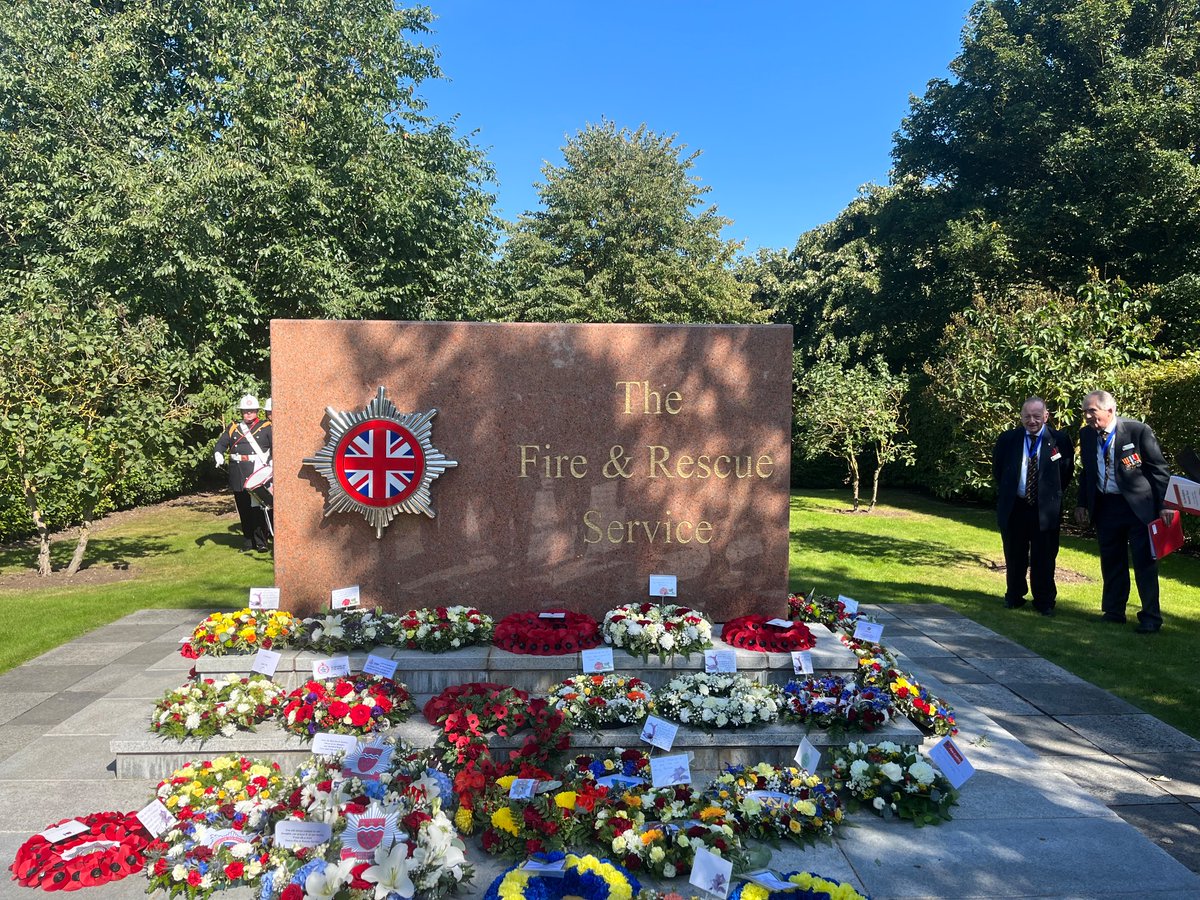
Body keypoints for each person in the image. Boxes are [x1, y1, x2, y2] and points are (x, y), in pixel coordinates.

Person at [1074, 390, 1175, 633]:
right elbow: (1087, 472)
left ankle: (1151, 617)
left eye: (1092, 411)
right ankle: (1114, 611)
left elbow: (1159, 470)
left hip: (1138, 508)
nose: (1087, 416)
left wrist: (1164, 505)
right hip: (1106, 507)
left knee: (1144, 563)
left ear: (1110, 410)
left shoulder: (1137, 431)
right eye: (1085, 411)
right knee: (1112, 561)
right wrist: (1082, 503)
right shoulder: (1087, 435)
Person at [993, 397, 1075, 616]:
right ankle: (1014, 596)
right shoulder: (1008, 439)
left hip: (1044, 509)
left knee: (1045, 556)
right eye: (1027, 416)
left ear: (1046, 417)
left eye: (1037, 416)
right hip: (1015, 507)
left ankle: (1044, 600)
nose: (1032, 421)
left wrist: (1048, 495)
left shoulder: (1060, 440)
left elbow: (1065, 472)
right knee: (1014, 554)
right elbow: (999, 471)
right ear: (1021, 417)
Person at [214, 395, 272, 551]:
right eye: (245, 411)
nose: (248, 414)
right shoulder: (233, 427)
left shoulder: (266, 426)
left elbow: (275, 447)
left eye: (251, 411)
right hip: (238, 472)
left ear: (257, 412)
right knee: (244, 508)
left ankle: (261, 542)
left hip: (257, 471)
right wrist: (218, 453)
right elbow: (221, 443)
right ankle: (248, 542)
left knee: (258, 509)